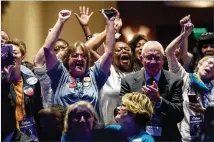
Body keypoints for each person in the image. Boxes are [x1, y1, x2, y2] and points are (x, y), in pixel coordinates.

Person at [40, 9, 115, 116]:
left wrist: (110, 21)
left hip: (91, 130)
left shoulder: (95, 75)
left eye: (83, 56)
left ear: (87, 60)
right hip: (65, 130)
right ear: (67, 60)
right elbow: (47, 49)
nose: (80, 58)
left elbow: (108, 53)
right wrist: (60, 21)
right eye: (75, 56)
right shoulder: (60, 75)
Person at [120, 41, 184, 141]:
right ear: (141, 59)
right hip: (137, 138)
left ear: (163, 60)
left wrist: (159, 100)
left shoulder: (175, 81)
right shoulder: (127, 81)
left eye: (157, 58)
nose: (153, 62)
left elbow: (178, 115)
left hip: (167, 138)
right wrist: (140, 102)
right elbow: (122, 112)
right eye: (149, 57)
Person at [165, 22, 214, 141]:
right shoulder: (183, 76)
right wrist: (184, 34)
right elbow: (169, 51)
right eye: (209, 63)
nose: (211, 67)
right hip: (186, 138)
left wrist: (202, 111)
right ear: (199, 65)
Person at [1, 39, 43, 141]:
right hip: (8, 136)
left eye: (15, 53)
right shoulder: (2, 83)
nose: (12, 56)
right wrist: (5, 80)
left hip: (30, 134)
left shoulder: (32, 82)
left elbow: (38, 111)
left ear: (23, 57)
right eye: (8, 53)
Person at [34, 37, 69, 108]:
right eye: (56, 49)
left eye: (63, 47)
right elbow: (38, 60)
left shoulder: (74, 68)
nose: (60, 51)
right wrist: (50, 38)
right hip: (50, 111)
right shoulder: (45, 70)